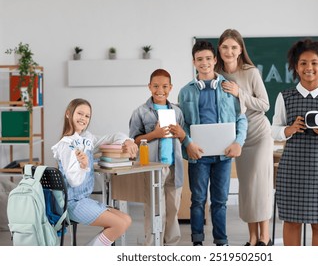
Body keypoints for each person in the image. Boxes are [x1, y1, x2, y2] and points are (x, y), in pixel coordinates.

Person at [271, 39, 318, 246]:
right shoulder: (285, 96)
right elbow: (273, 130)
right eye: (303, 63)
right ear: (296, 67)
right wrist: (289, 129)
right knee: (292, 221)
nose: (309, 68)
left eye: (314, 62)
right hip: (292, 167)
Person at [178, 40, 247, 246]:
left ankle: (221, 243)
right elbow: (182, 123)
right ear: (194, 62)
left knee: (220, 202)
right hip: (197, 156)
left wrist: (239, 142)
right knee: (198, 201)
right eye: (200, 59)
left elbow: (241, 118)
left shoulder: (228, 87)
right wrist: (188, 143)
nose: (205, 63)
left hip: (223, 155)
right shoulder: (186, 91)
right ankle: (197, 243)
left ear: (215, 60)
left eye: (208, 58)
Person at [51, 98, 138, 246]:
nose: (83, 118)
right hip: (72, 204)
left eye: (87, 116)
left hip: (84, 200)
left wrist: (127, 141)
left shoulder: (87, 139)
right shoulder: (66, 145)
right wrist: (84, 166)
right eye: (80, 113)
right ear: (68, 114)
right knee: (119, 224)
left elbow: (114, 136)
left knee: (126, 220)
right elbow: (74, 181)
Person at [215, 29, 274, 246]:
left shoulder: (250, 72)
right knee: (247, 186)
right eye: (225, 47)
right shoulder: (217, 74)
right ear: (219, 49)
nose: (229, 51)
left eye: (233, 47)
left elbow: (265, 105)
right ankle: (252, 237)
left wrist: (239, 92)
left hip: (259, 134)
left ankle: (264, 237)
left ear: (240, 50)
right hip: (239, 138)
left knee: (261, 185)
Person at [129, 68, 186, 246]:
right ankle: (153, 247)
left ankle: (171, 246)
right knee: (154, 209)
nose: (160, 90)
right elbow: (134, 141)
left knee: (172, 209)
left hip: (174, 167)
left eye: (164, 86)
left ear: (171, 87)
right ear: (149, 87)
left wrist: (181, 133)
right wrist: (155, 133)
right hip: (153, 167)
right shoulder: (140, 112)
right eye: (155, 86)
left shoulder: (177, 112)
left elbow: (182, 135)